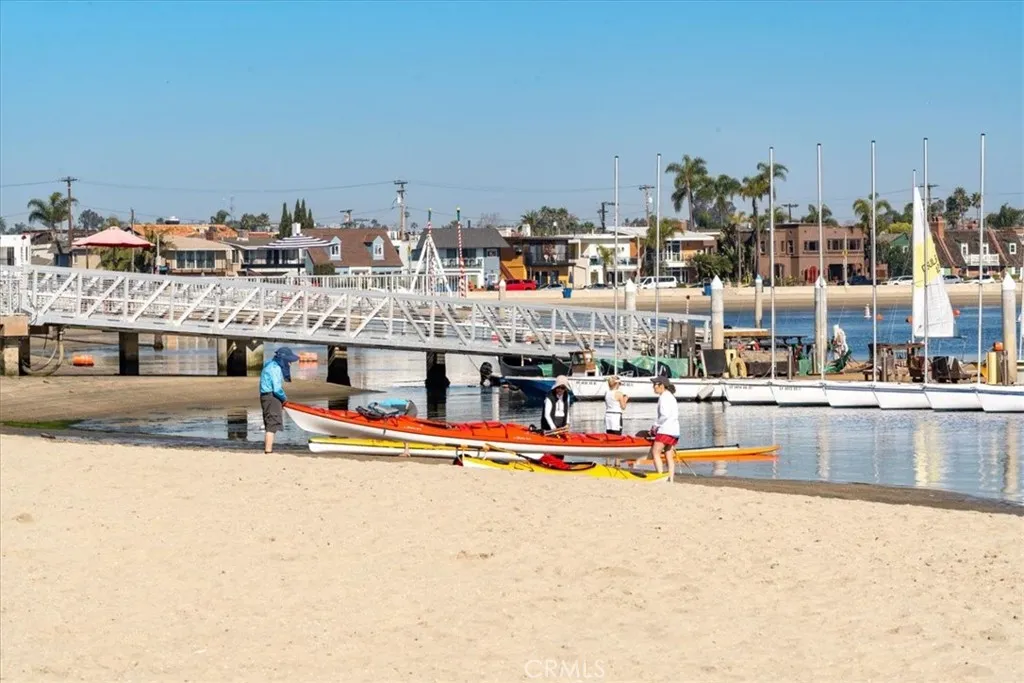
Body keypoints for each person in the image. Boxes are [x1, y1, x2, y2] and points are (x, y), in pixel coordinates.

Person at [259, 346, 300, 454]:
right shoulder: (275, 368)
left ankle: (268, 449)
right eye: (289, 361)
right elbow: (277, 389)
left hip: (265, 396)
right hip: (272, 397)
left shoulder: (269, 364)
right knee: (272, 426)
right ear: (283, 360)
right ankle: (268, 451)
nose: (290, 364)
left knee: (269, 424)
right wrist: (284, 399)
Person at [648, 376, 679, 482]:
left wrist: (655, 426)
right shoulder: (671, 396)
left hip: (666, 429)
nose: (653, 387)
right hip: (674, 431)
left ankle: (660, 476)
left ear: (661, 385)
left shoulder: (663, 397)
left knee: (655, 452)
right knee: (668, 454)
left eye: (655, 385)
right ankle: (671, 479)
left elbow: (664, 415)